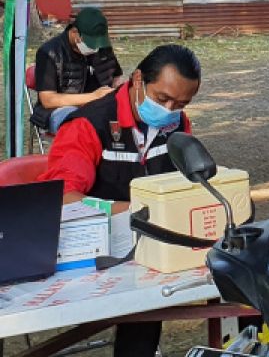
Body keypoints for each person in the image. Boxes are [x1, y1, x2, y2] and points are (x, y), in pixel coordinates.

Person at [39, 44, 202, 357]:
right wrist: (135, 210)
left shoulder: (178, 125)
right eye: (162, 98)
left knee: (147, 311)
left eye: (181, 103)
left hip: (150, 250)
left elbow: (186, 182)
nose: (169, 110)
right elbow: (62, 199)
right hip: (91, 249)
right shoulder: (88, 125)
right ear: (137, 79)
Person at [31, 7, 122, 135]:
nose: (95, 48)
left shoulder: (103, 47)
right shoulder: (49, 52)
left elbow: (116, 78)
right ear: (74, 32)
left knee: (125, 121)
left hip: (98, 106)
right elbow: (48, 100)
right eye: (90, 44)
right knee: (82, 125)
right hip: (60, 110)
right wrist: (93, 97)